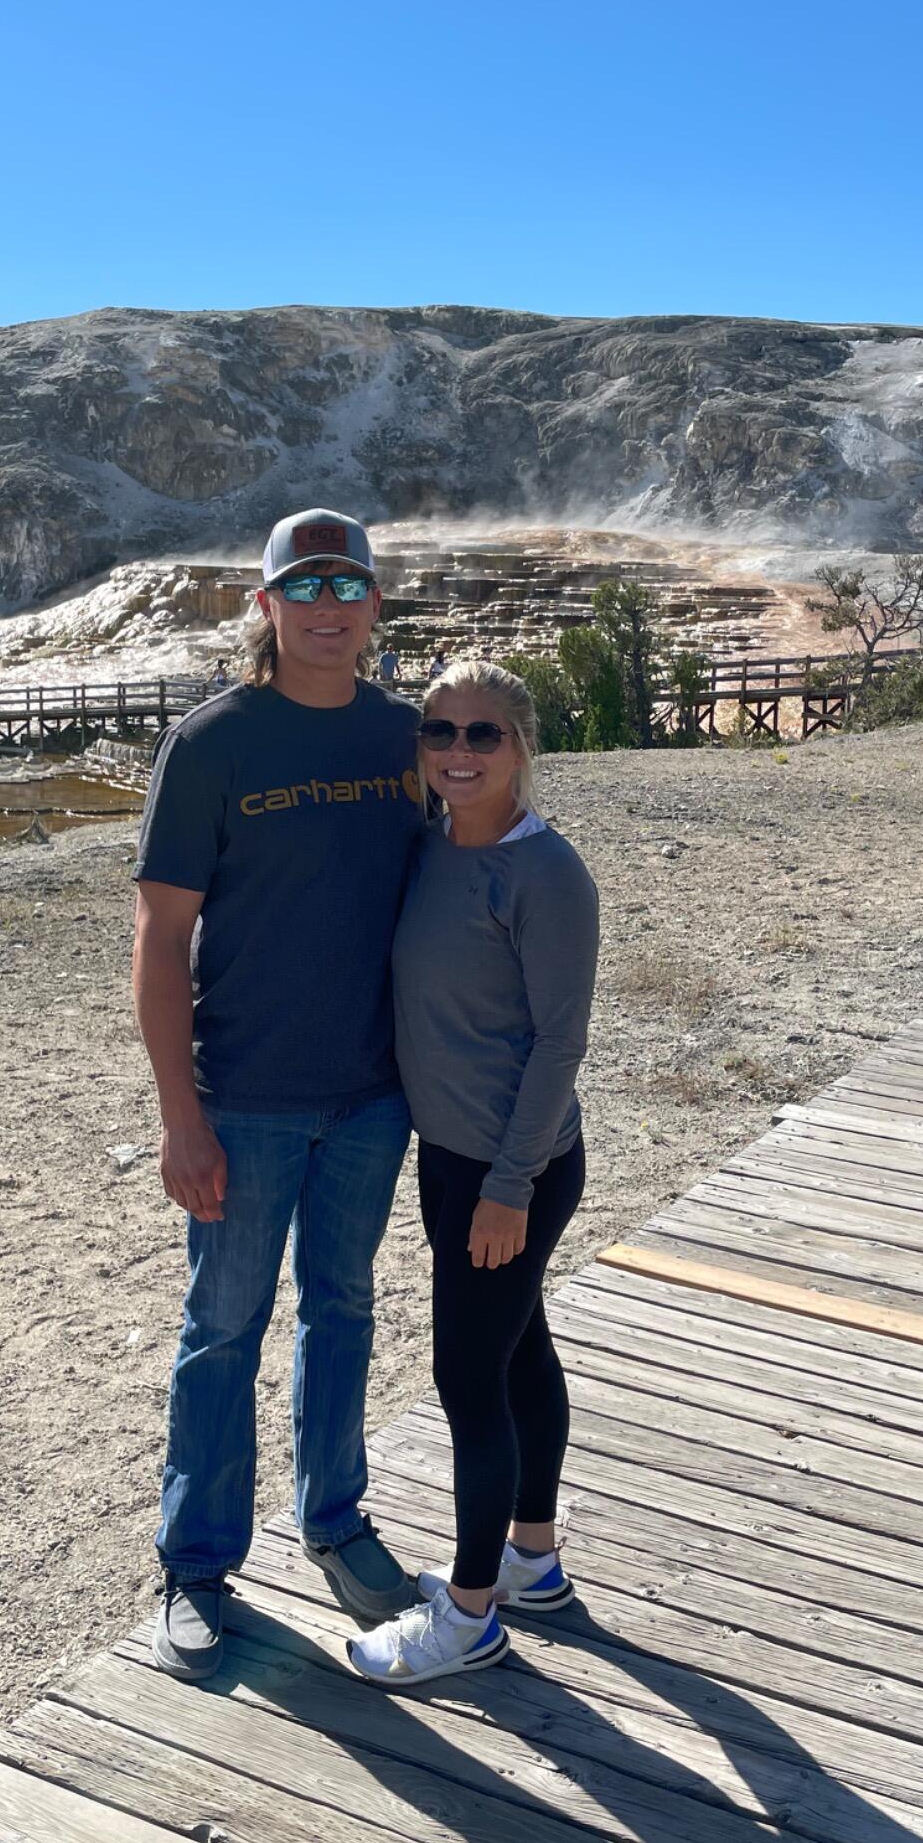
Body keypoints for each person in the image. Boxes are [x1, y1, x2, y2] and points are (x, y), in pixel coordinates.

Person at [132, 508, 425, 1684]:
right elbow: (159, 942)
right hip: (243, 1097)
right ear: (265, 606)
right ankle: (196, 1566)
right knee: (222, 1333)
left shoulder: (410, 736)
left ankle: (335, 1522)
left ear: (372, 606)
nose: (326, 605)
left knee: (342, 1312)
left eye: (347, 583)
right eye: (303, 584)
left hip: (371, 1095)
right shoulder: (213, 744)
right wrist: (179, 1117)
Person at [348, 658, 599, 1687]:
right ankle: (531, 1560)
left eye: (482, 733)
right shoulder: (432, 846)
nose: (457, 750)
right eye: (438, 730)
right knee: (517, 1352)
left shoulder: (547, 874)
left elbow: (560, 1041)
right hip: (448, 1159)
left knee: (467, 1378)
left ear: (521, 747)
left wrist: (509, 1186)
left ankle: (468, 1614)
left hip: (514, 1168)